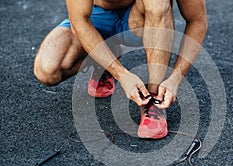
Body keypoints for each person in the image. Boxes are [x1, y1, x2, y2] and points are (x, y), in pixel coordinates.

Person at [34, 0, 207, 139]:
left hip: (138, 18)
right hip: (95, 18)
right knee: (47, 70)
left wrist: (175, 78)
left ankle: (153, 100)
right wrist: (122, 75)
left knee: (157, 2)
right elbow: (80, 21)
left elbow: (197, 20)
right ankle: (106, 58)